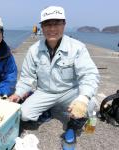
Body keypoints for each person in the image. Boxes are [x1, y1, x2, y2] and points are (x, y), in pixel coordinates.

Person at [9, 6, 100, 134]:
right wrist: (17, 94)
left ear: (64, 24)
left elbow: (89, 74)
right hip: (45, 92)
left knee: (90, 106)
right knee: (24, 115)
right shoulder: (33, 50)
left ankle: (74, 120)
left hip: (70, 91)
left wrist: (83, 99)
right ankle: (49, 109)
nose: (52, 29)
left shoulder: (77, 48)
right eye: (47, 24)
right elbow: (27, 78)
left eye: (57, 23)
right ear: (42, 27)